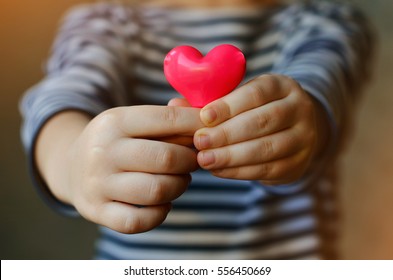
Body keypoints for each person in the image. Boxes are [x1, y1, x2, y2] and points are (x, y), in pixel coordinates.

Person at [20, 0, 374, 259]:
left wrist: (303, 128)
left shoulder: (327, 21)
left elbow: (323, 89)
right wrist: (72, 160)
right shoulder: (104, 23)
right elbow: (60, 100)